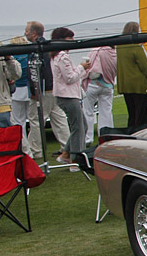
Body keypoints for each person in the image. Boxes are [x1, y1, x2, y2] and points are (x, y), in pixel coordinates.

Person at [20, 21, 70, 160]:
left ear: (34, 33)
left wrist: (36, 90)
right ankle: (67, 146)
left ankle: (35, 150)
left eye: (27, 31)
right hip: (53, 88)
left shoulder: (37, 49)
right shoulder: (49, 47)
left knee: (36, 120)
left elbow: (36, 71)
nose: (25, 33)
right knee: (59, 118)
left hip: (42, 90)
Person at [49, 27, 85, 168]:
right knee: (78, 127)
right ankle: (75, 159)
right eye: (69, 39)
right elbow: (70, 78)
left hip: (67, 95)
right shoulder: (63, 56)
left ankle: (66, 153)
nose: (72, 42)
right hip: (67, 96)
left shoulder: (56, 56)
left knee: (82, 125)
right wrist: (82, 67)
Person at [115, 22, 147, 128]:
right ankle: (139, 134)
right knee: (141, 116)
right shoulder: (136, 48)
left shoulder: (119, 47)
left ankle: (131, 132)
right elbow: (145, 68)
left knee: (132, 114)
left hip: (126, 86)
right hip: (140, 86)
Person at [82, 43, 116, 144]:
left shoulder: (95, 51)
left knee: (88, 111)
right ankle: (106, 136)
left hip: (92, 84)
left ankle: (88, 137)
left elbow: (88, 66)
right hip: (108, 85)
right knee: (106, 111)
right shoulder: (113, 53)